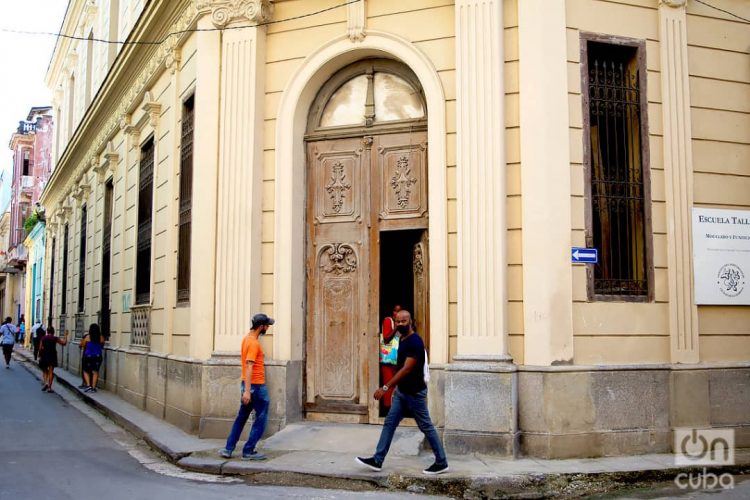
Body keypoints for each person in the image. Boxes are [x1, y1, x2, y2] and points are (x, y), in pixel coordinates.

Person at [356, 309, 449, 475]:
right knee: (389, 423)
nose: (400, 324)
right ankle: (378, 460)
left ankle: (441, 462)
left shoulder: (415, 342)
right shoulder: (402, 338)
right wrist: (394, 330)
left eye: (403, 321)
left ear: (411, 322)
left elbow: (406, 369)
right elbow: (386, 339)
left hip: (414, 394)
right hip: (402, 393)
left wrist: (385, 387)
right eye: (397, 321)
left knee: (426, 427)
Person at [218, 313, 274, 461]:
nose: (268, 327)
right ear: (261, 326)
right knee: (261, 419)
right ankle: (248, 451)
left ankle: (228, 448)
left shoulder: (246, 339)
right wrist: (248, 392)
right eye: (267, 325)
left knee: (241, 418)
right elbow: (249, 366)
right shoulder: (254, 344)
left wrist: (246, 389)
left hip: (247, 385)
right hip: (256, 387)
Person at [379, 304, 402, 410]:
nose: (397, 314)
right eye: (395, 311)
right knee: (388, 385)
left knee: (396, 385)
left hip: (397, 360)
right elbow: (387, 338)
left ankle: (396, 409)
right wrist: (396, 327)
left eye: (399, 311)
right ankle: (388, 410)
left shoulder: (401, 324)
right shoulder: (388, 321)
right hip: (388, 360)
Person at [38, 326, 68, 392]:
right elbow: (64, 343)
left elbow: (40, 348)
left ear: (47, 331)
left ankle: (46, 383)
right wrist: (66, 335)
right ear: (53, 332)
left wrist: (39, 355)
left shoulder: (43, 338)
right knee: (51, 371)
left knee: (45, 370)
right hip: (52, 355)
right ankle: (49, 387)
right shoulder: (55, 338)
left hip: (44, 355)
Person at [81, 323, 104, 393]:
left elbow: (83, 345)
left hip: (88, 356)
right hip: (97, 356)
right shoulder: (101, 337)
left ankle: (88, 385)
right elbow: (102, 345)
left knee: (85, 370)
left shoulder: (87, 337)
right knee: (95, 371)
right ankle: (93, 388)